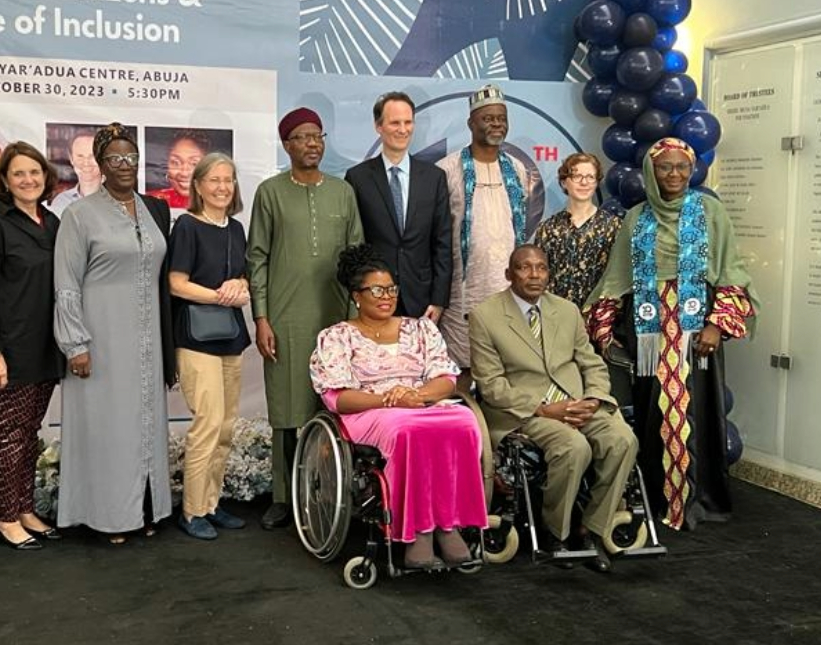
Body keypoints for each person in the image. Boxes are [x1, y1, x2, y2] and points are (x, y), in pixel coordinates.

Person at [587, 137, 757, 531]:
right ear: (651, 171)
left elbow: (732, 269)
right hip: (648, 331)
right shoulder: (636, 217)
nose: (675, 175)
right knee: (653, 413)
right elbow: (616, 278)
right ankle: (658, 500)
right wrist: (606, 326)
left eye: (683, 167)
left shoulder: (710, 212)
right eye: (665, 167)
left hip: (698, 330)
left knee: (697, 410)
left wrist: (716, 323)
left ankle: (700, 501)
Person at [310, 244, 486, 568]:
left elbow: (446, 378)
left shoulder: (420, 329)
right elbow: (338, 397)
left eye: (391, 288)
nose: (387, 296)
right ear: (356, 295)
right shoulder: (337, 337)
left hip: (421, 402)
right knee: (407, 430)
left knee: (463, 421)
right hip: (369, 411)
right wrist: (390, 399)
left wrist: (417, 397)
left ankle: (450, 525)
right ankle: (417, 532)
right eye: (376, 289)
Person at [469, 245, 637, 573]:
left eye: (542, 268)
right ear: (509, 274)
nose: (534, 275)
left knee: (623, 440)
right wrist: (544, 409)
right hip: (526, 411)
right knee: (572, 447)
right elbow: (491, 386)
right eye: (524, 268)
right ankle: (554, 532)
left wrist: (595, 399)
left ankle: (590, 529)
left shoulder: (568, 310)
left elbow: (591, 363)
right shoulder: (485, 316)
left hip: (578, 403)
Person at [54, 123, 176, 544]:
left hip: (147, 343)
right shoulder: (79, 215)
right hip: (100, 341)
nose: (125, 166)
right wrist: (75, 344)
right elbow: (66, 283)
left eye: (131, 158)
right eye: (115, 159)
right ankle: (106, 516)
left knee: (144, 424)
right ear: (101, 165)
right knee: (107, 428)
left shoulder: (154, 210)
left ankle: (146, 508)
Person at [247, 107, 364, 530]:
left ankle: (328, 490)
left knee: (333, 404)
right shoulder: (270, 192)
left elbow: (357, 256)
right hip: (285, 317)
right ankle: (282, 495)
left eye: (317, 136)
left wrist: (356, 319)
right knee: (286, 408)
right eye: (301, 137)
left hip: (335, 317)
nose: (312, 143)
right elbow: (256, 258)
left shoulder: (342, 193)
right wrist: (261, 317)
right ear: (287, 145)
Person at [0, 141, 65, 550]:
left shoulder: (53, 222)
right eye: (19, 174)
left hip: (47, 345)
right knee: (10, 434)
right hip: (8, 350)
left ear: (45, 178)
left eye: (34, 172)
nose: (28, 180)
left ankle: (25, 508)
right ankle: (6, 517)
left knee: (29, 432)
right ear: (5, 182)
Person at [167, 152, 252, 540]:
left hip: (230, 336)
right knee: (207, 423)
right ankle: (192, 510)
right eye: (214, 180)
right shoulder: (186, 226)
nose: (222, 187)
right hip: (195, 337)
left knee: (227, 426)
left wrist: (242, 286)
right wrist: (221, 296)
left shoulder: (235, 228)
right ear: (197, 185)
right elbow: (177, 283)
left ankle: (212, 504)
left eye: (228, 179)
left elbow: (242, 279)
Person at [436, 84, 537, 383]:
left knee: (509, 369)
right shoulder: (448, 169)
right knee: (464, 369)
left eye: (501, 118)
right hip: (463, 291)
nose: (496, 124)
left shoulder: (517, 168)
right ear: (471, 123)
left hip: (508, 288)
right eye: (488, 118)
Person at [344, 91, 453, 321]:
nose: (403, 130)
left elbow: (442, 243)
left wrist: (439, 299)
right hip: (373, 299)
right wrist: (358, 298)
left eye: (408, 122)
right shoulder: (358, 178)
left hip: (422, 302)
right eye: (395, 123)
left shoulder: (434, 178)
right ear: (378, 126)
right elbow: (354, 243)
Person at [533, 153, 621, 308]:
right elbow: (540, 276)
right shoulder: (548, 228)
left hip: (597, 316)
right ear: (564, 182)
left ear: (597, 182)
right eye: (577, 176)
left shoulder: (613, 226)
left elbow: (617, 278)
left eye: (590, 177)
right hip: (556, 315)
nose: (584, 182)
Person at [150, 130, 208, 209]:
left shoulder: (221, 202)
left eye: (194, 164)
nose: (184, 173)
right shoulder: (152, 201)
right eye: (176, 163)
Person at [48, 131, 101, 217]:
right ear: (71, 159)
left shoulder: (118, 201)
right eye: (80, 156)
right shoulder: (61, 202)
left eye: (92, 156)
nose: (86, 163)